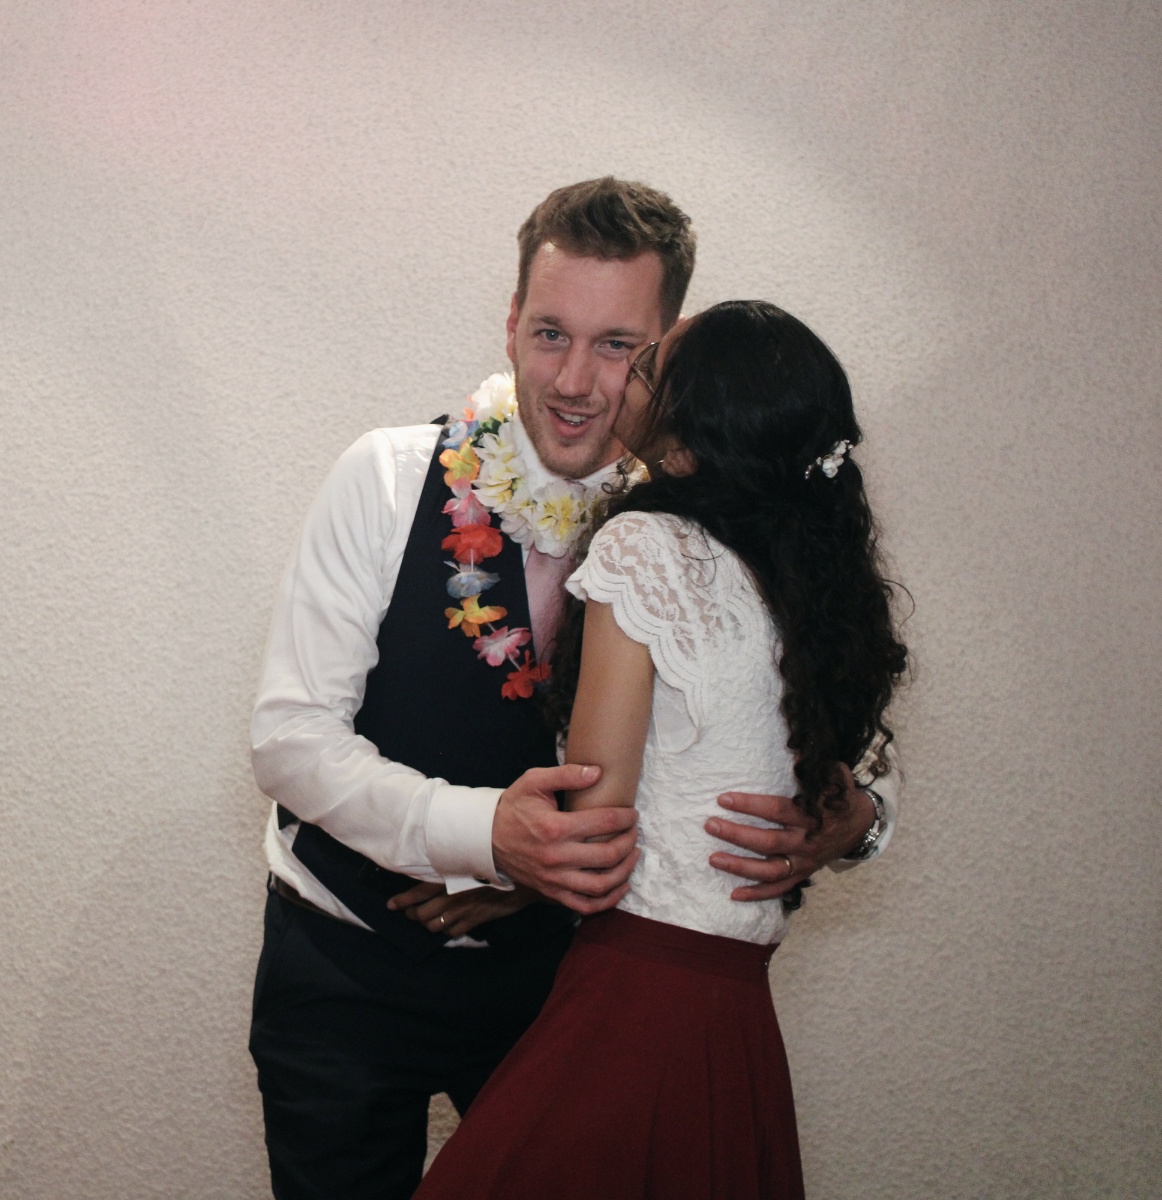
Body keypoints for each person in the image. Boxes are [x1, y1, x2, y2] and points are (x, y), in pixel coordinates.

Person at [249, 179, 896, 1200]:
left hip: (561, 992)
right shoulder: (386, 476)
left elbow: (831, 691)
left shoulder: (715, 520)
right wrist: (486, 836)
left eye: (618, 346)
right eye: (551, 333)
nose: (576, 380)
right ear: (511, 322)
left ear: (667, 350)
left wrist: (859, 816)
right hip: (345, 976)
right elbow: (289, 740)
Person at [412, 300, 910, 1199]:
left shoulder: (646, 546)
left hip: (635, 998)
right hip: (736, 1013)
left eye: (645, 368)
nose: (620, 378)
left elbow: (595, 820)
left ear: (686, 440)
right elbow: (853, 772)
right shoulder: (810, 587)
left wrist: (504, 868)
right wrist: (859, 818)